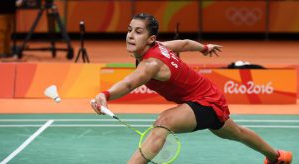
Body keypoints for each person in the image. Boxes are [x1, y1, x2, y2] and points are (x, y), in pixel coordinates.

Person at [90, 13, 293, 164]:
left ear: (151, 39)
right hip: (207, 95)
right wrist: (204, 48)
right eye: (129, 30)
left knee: (163, 123)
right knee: (235, 132)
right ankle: (277, 157)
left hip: (206, 101)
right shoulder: (160, 46)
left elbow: (129, 83)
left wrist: (105, 94)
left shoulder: (150, 64)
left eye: (138, 31)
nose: (131, 35)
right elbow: (185, 43)